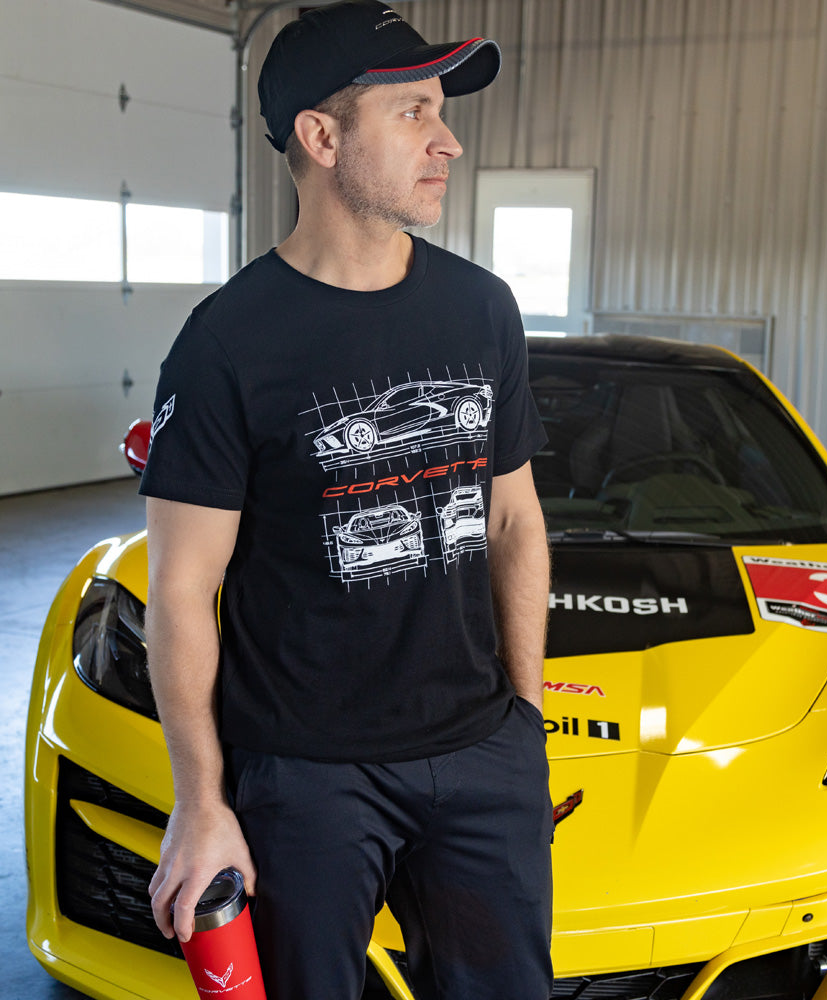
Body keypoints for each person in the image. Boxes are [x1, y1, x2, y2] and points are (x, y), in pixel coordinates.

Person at [139, 2, 553, 998]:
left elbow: (513, 521)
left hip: (478, 750)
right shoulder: (227, 342)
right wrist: (202, 802)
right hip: (305, 775)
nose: (447, 140)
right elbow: (182, 589)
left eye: (441, 111)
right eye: (414, 113)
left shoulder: (480, 308)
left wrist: (524, 729)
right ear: (322, 138)